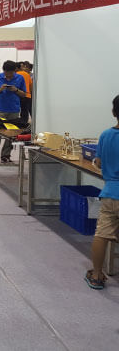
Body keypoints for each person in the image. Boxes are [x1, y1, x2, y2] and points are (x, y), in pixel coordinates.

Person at [85, 95, 119, 290]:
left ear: (114, 112)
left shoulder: (106, 135)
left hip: (110, 193)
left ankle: (97, 275)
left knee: (102, 234)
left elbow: (98, 162)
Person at [0, 60, 27, 163]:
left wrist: (16, 90)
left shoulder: (20, 78)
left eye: (11, 73)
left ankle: (6, 155)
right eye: (6, 73)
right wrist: (0, 89)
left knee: (11, 135)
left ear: (14, 71)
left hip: (14, 110)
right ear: (3, 70)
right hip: (0, 110)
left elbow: (24, 94)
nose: (8, 75)